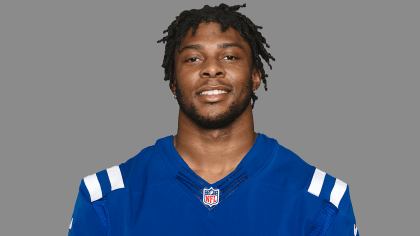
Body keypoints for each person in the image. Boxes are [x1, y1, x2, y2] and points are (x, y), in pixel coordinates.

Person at [68, 3, 359, 236]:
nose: (211, 69)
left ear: (256, 75)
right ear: (173, 82)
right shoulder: (105, 197)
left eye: (230, 57)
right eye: (193, 59)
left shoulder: (321, 199)